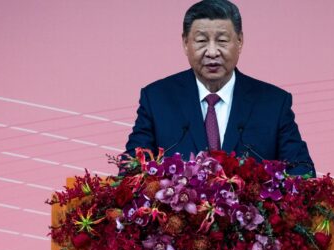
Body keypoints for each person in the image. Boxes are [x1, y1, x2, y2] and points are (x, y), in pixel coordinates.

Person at [124, 0, 315, 176]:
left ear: (239, 42)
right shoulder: (157, 99)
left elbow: (302, 172)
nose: (213, 52)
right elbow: (130, 170)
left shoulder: (274, 103)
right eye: (201, 41)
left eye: (222, 40)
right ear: (185, 43)